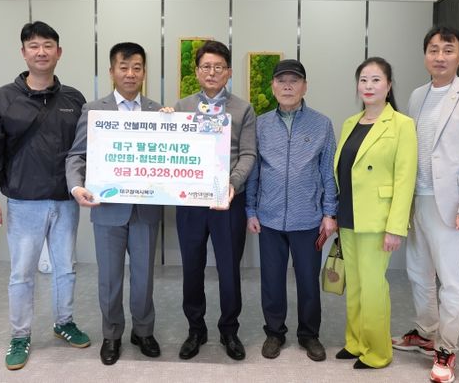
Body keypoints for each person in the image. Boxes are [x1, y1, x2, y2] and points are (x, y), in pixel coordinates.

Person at [0, 21, 90, 371]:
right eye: (34, 46)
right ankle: (20, 334)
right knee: (22, 272)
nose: (41, 52)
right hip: (24, 201)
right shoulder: (4, 97)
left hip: (65, 201)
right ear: (24, 52)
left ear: (59, 52)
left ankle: (64, 322)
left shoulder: (74, 99)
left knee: (66, 268)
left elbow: (86, 149)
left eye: (48, 45)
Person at [392, 26, 459, 383]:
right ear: (425, 56)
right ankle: (425, 332)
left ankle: (447, 348)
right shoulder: (417, 96)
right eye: (433, 50)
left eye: (448, 50)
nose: (440, 57)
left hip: (450, 203)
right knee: (418, 272)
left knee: (450, 279)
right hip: (416, 199)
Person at [65, 42, 163, 365]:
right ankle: (112, 334)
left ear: (144, 72)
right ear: (112, 72)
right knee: (109, 278)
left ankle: (143, 331)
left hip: (146, 209)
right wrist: (76, 186)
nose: (130, 73)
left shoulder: (159, 112)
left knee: (144, 278)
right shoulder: (94, 110)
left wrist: (174, 127)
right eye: (124, 67)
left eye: (137, 67)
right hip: (107, 209)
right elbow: (76, 155)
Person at [245, 59, 337, 362]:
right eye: (281, 81)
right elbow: (255, 171)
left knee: (308, 281)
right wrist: (250, 210)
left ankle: (309, 335)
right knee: (271, 280)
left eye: (294, 81)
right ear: (273, 86)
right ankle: (274, 332)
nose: (287, 86)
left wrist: (329, 213)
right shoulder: (261, 124)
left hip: (308, 219)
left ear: (304, 87)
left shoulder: (321, 124)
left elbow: (328, 172)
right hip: (269, 218)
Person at [173, 40, 257, 361]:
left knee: (229, 268)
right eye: (206, 67)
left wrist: (232, 184)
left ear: (229, 72)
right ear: (197, 72)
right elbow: (171, 150)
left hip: (228, 201)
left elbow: (248, 154)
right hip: (191, 202)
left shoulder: (243, 109)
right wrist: (164, 124)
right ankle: (196, 329)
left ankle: (229, 330)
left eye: (218, 67)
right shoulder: (181, 107)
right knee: (192, 267)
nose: (212, 72)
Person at [334, 57, 417, 370]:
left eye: (376, 80)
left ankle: (378, 352)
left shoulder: (401, 125)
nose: (368, 86)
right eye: (363, 80)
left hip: (377, 219)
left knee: (373, 287)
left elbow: (405, 179)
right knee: (354, 285)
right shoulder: (350, 123)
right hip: (348, 215)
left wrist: (396, 226)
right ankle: (356, 341)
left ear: (389, 85)